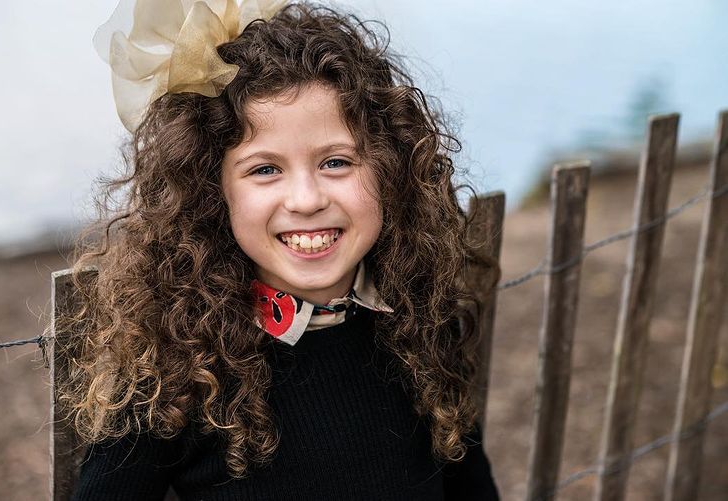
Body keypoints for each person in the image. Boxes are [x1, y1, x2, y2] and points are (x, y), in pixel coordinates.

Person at [62, 1, 501, 499]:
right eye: (265, 169)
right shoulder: (175, 372)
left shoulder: (423, 328)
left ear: (389, 169)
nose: (307, 200)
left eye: (336, 162)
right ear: (212, 192)